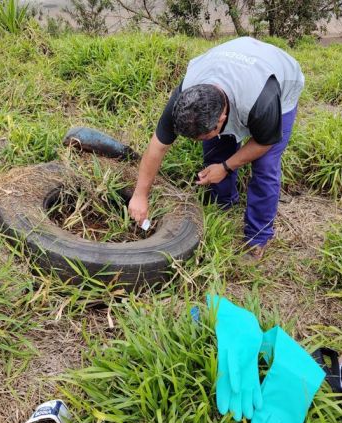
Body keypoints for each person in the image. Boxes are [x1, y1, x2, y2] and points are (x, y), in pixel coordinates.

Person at [128, 36, 304, 260]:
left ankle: (258, 237)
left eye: (203, 135)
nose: (197, 141)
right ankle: (223, 204)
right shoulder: (186, 96)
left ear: (221, 117)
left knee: (265, 166)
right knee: (216, 148)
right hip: (230, 65)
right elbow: (157, 146)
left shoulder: (263, 102)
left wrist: (227, 166)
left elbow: (264, 143)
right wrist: (140, 195)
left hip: (278, 76)